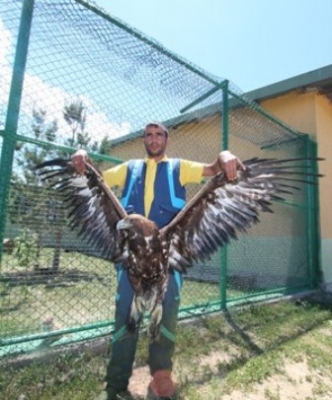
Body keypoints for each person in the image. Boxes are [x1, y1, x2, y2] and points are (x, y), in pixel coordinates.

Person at [71, 122, 244, 400]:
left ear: (166, 139)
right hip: (132, 260)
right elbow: (95, 176)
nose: (153, 139)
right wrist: (82, 155)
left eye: (158, 134)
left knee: (167, 318)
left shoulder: (179, 167)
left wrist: (224, 154)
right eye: (149, 135)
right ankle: (115, 388)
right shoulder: (128, 169)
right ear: (144, 140)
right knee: (126, 318)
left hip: (168, 258)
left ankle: (161, 384)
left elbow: (214, 170)